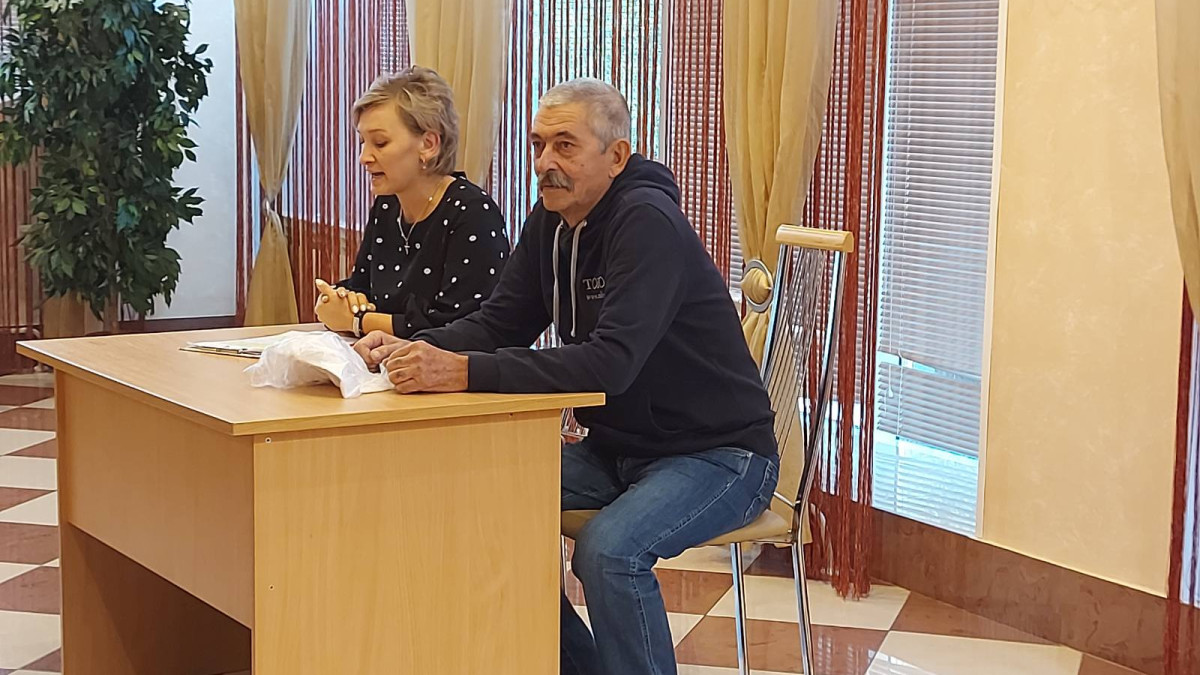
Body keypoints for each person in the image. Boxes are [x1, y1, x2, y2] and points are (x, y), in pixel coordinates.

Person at [354, 78, 779, 675]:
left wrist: (464, 372)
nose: (544, 163)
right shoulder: (552, 219)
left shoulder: (647, 222)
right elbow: (501, 321)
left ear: (616, 156)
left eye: (565, 146)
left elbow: (611, 363)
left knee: (607, 553)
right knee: (474, 508)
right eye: (537, 145)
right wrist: (414, 347)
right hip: (618, 449)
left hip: (719, 454)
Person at [315, 66, 510, 339]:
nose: (364, 158)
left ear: (428, 144)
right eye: (362, 142)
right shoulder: (387, 205)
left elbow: (458, 327)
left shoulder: (473, 213)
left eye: (380, 143)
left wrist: (357, 321)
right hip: (384, 358)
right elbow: (362, 288)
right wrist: (336, 299)